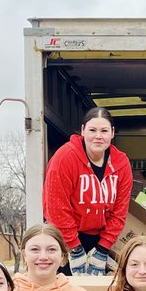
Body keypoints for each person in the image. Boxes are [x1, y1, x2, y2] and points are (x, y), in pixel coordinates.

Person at [42, 106, 133, 275]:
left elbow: (119, 212)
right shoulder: (65, 157)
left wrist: (103, 249)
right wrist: (74, 248)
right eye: (92, 130)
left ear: (112, 133)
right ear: (83, 131)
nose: (98, 136)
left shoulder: (121, 164)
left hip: (100, 240)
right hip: (65, 237)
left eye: (104, 130)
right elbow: (56, 207)